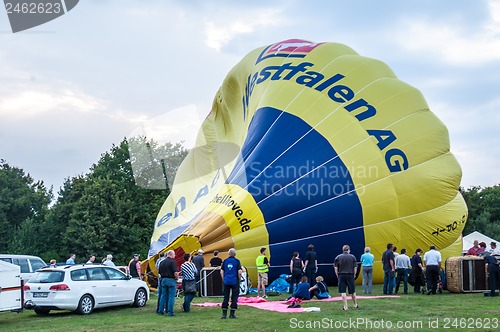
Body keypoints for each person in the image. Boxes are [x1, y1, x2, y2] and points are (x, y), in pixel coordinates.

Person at [334, 244, 358, 310]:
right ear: (348, 250)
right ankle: (355, 304)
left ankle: (345, 306)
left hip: (341, 274)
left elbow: (336, 268)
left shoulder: (338, 257)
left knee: (343, 291)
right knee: (352, 291)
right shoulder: (352, 257)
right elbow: (355, 267)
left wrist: (337, 275)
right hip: (350, 274)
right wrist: (354, 274)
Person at [220, 248, 242, 319]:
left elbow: (221, 271)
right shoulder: (237, 261)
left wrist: (224, 279)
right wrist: (239, 279)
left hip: (226, 281)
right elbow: (239, 272)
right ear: (235, 254)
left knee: (226, 297)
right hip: (234, 280)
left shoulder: (225, 261)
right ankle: (232, 314)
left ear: (228, 254)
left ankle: (224, 314)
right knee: (234, 297)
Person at [157, 250, 179, 316]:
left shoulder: (161, 262)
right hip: (171, 280)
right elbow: (175, 272)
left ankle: (160, 311)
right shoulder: (172, 262)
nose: (175, 256)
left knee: (163, 296)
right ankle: (170, 312)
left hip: (163, 280)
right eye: (174, 255)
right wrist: (177, 278)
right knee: (171, 297)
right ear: (171, 255)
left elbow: (159, 272)